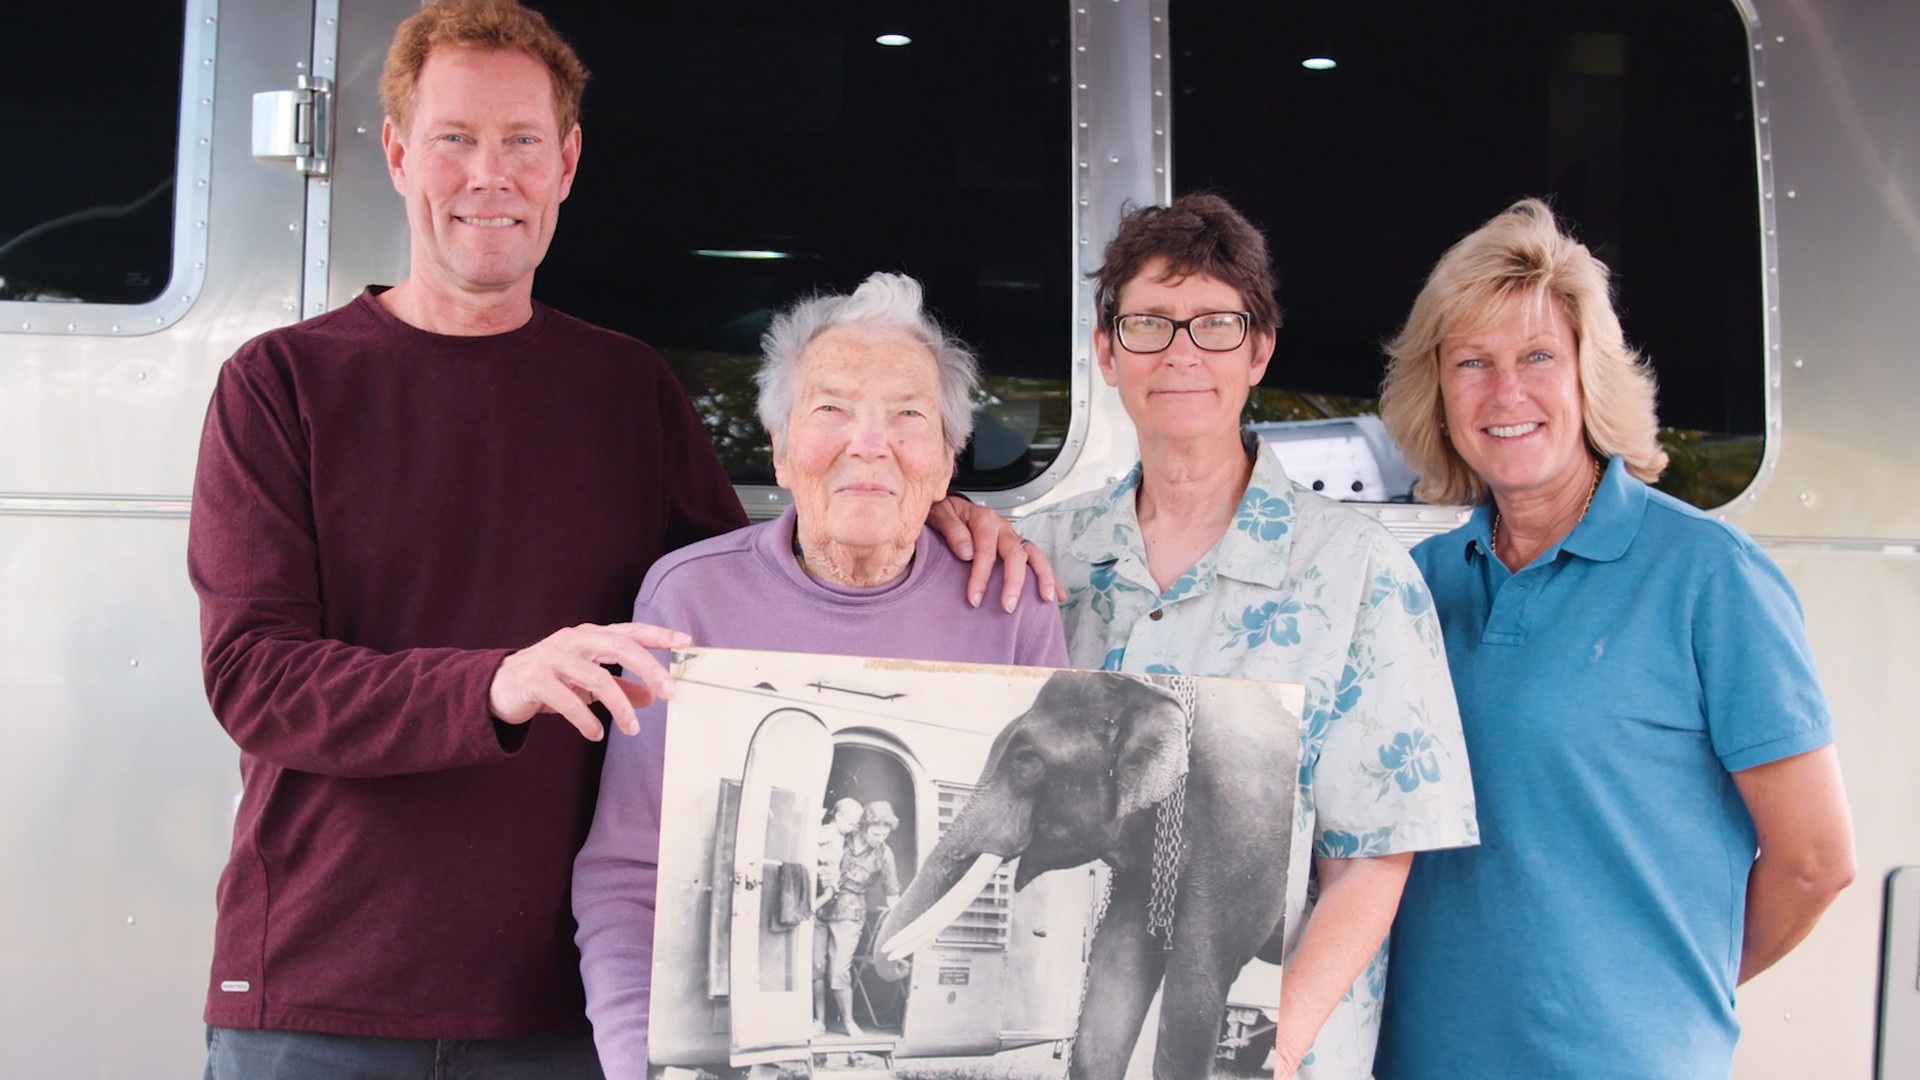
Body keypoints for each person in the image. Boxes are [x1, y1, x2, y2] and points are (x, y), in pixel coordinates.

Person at [186, 2, 1045, 1075]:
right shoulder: (280, 386)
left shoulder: (626, 390)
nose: (489, 176)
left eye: (522, 142)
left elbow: (764, 611)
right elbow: (254, 677)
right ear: (401, 154)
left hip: (564, 1014)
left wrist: (922, 504)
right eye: (454, 139)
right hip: (322, 991)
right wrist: (495, 684)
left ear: (567, 162)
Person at [1372, 199, 1857, 1080]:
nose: (1505, 392)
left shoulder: (1710, 578)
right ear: (1436, 392)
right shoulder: (1417, 584)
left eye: (1537, 358)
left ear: (1591, 377)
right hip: (1416, 1060)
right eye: (1471, 363)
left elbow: (1816, 861)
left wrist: (1665, 989)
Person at [1015, 194, 1479, 1080]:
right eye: (1148, 323)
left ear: (1259, 350)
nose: (1181, 353)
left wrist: (1274, 1051)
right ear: (1106, 352)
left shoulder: (1360, 572)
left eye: (1215, 325)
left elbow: (1376, 861)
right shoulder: (1042, 558)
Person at [571, 271, 1069, 1079]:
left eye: (908, 416)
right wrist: (639, 1064)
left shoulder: (1012, 606)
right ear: (779, 444)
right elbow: (629, 872)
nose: (867, 442)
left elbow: (1045, 870)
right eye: (831, 408)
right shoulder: (687, 595)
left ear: (946, 462)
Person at [815, 802, 904, 1037]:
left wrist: (898, 928)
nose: (879, 838)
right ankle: (819, 1021)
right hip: (820, 908)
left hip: (850, 913)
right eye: (875, 833)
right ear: (864, 827)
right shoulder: (842, 834)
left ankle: (848, 1022)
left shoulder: (885, 854)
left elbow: (892, 894)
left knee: (839, 971)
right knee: (816, 966)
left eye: (884, 834)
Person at [815, 797, 866, 911]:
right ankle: (810, 910)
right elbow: (812, 843)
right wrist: (824, 856)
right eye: (850, 824)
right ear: (838, 816)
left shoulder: (840, 834)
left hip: (832, 869)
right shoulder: (829, 830)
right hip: (824, 868)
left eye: (854, 825)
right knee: (827, 894)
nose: (852, 828)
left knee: (830, 894)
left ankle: (812, 910)